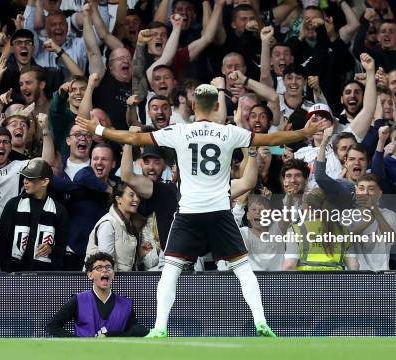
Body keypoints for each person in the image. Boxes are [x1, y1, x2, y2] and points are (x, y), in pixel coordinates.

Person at [75, 82, 330, 338]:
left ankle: (160, 326)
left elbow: (132, 137)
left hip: (188, 212)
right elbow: (273, 138)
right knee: (243, 269)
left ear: (194, 105)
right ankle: (261, 321)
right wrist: (303, 131)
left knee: (171, 270)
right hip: (220, 211)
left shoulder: (179, 131)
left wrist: (97, 128)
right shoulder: (230, 132)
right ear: (218, 106)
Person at [45, 252, 148, 337]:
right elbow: (52, 326)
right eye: (99, 268)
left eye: (108, 267)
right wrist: (77, 342)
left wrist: (112, 335)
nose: (104, 270)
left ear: (113, 274)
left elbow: (135, 330)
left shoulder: (126, 304)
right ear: (90, 275)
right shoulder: (79, 300)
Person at [0, 159, 68, 272]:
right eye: (24, 177)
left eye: (30, 178)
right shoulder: (13, 204)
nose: (25, 181)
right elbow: (2, 242)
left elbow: (62, 248)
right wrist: (6, 270)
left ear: (45, 182)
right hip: (14, 273)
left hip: (44, 276)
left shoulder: (59, 210)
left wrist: (51, 249)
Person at [84, 182, 150, 271]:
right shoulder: (108, 224)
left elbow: (126, 263)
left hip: (122, 281)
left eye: (138, 196)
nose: (136, 199)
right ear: (118, 199)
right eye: (131, 195)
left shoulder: (133, 224)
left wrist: (139, 254)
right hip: (103, 282)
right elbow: (106, 265)